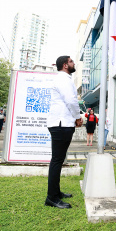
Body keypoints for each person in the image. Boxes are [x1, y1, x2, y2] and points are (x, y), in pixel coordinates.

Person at [45, 56, 83, 209]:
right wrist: (78, 117)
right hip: (61, 124)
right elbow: (71, 100)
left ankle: (56, 192)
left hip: (61, 124)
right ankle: (52, 198)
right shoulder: (64, 79)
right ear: (65, 65)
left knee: (58, 160)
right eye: (72, 61)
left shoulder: (64, 78)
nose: (74, 63)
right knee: (57, 160)